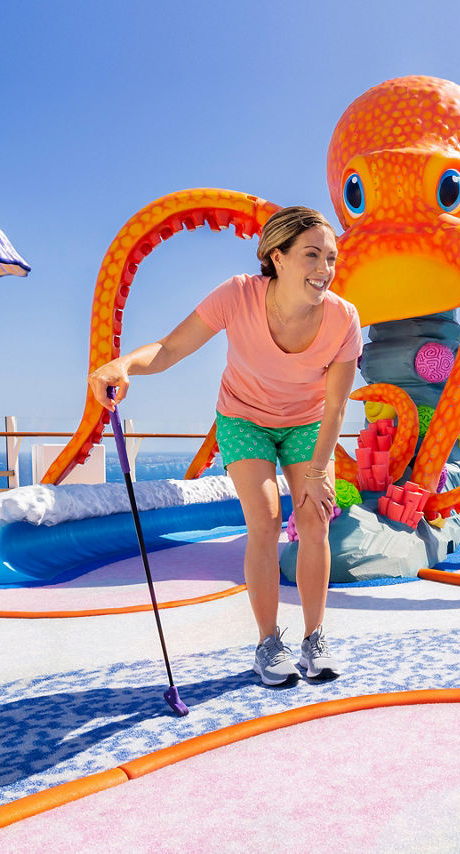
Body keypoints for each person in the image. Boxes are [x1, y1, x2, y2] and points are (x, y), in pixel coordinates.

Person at [88, 206, 362, 687]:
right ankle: (267, 643)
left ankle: (314, 638)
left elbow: (337, 405)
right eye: (312, 255)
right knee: (266, 517)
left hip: (307, 422)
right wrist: (124, 364)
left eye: (332, 258)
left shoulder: (343, 318)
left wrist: (319, 474)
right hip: (243, 417)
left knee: (314, 519)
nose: (324, 269)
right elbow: (171, 348)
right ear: (277, 257)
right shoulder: (237, 296)